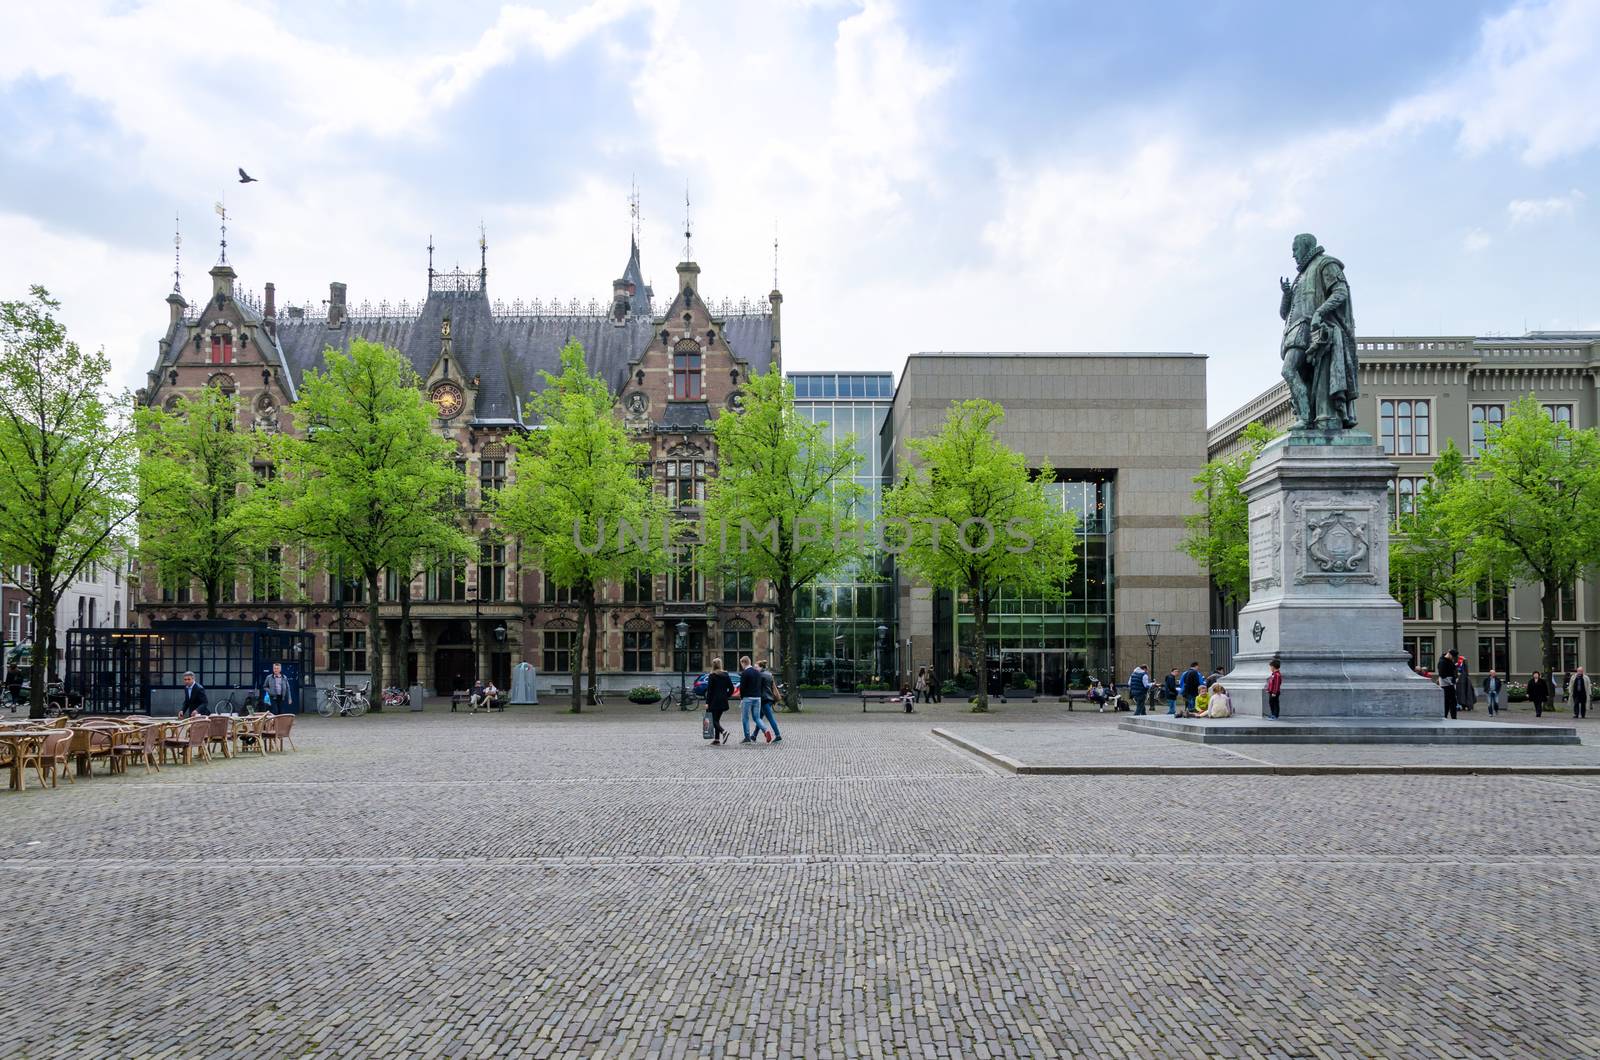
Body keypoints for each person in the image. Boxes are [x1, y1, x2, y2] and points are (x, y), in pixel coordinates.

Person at [737, 656, 768, 744]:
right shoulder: (757, 672)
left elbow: (742, 688)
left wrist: (741, 698)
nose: (741, 666)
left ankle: (747, 738)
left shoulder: (745, 673)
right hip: (757, 698)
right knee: (757, 718)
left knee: (745, 718)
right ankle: (765, 730)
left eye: (741, 664)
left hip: (747, 698)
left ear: (743, 663)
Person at [704, 658, 735, 745]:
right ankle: (717, 740)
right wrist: (726, 696)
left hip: (714, 701)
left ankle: (724, 732)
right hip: (723, 701)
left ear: (713, 665)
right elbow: (732, 688)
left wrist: (707, 702)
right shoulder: (726, 675)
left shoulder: (712, 675)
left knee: (713, 720)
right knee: (717, 720)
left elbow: (709, 691)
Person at [757, 660, 783, 743]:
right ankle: (754, 735)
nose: (755, 668)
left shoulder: (760, 675)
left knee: (770, 718)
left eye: (756, 666)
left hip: (764, 699)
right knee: (759, 718)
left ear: (760, 667)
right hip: (769, 698)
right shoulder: (769, 674)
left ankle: (778, 735)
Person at [1436, 649, 1458, 719]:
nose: (1453, 658)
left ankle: (1452, 717)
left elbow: (1451, 669)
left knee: (1451, 702)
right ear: (1449, 654)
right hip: (1446, 684)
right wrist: (1451, 683)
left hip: (1449, 683)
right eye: (1453, 656)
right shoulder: (1442, 662)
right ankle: (1446, 716)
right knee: (1448, 702)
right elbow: (1442, 675)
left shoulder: (1449, 661)